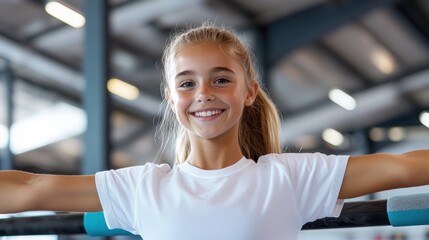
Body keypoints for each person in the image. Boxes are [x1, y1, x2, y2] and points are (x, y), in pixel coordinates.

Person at [0, 24, 428, 240]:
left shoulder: (290, 176)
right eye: (187, 83)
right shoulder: (142, 187)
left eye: (221, 79)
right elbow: (30, 188)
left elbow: (402, 166)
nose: (203, 93)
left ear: (249, 92)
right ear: (171, 98)